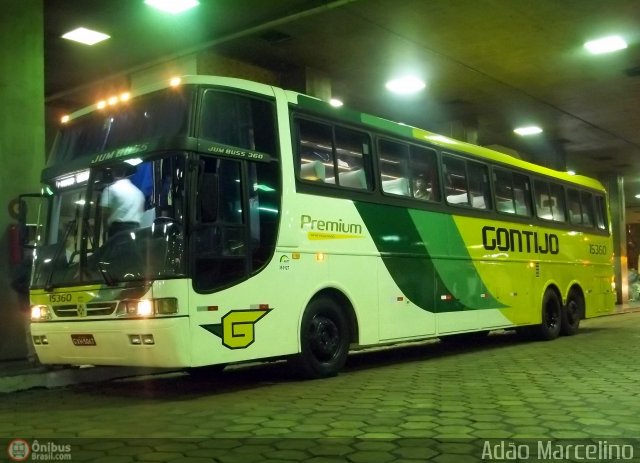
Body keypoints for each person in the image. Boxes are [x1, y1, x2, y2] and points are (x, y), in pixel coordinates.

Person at [100, 165, 145, 238]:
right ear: (124, 172)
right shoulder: (139, 193)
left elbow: (105, 213)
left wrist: (105, 230)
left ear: (113, 172)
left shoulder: (110, 190)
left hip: (118, 231)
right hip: (136, 232)